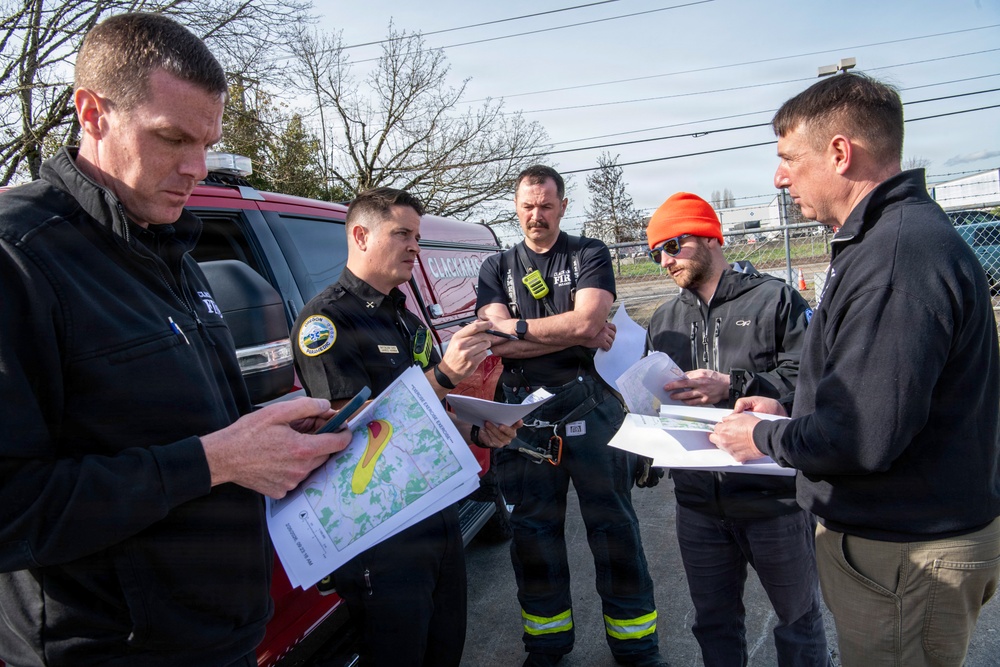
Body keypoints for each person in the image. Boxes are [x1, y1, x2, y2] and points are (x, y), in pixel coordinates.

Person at [0, 13, 354, 667]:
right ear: (92, 113)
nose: (197, 169)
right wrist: (217, 458)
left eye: (208, 141)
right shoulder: (18, 256)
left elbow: (164, 421)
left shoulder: (165, 244)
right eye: (171, 139)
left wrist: (263, 431)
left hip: (220, 635)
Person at [711, 72, 1000, 667]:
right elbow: (872, 391)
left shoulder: (896, 257)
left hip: (908, 554)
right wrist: (790, 408)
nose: (778, 176)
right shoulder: (884, 242)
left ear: (840, 153)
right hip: (900, 546)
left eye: (789, 157)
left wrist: (763, 436)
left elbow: (863, 435)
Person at [291, 186, 519, 667]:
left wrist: (478, 432)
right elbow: (351, 428)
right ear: (361, 235)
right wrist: (444, 375)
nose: (415, 246)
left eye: (417, 235)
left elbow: (431, 412)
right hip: (380, 528)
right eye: (402, 234)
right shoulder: (325, 321)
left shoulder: (403, 317)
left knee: (444, 649)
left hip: (436, 509)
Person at [476, 165, 667, 667]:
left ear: (562, 205)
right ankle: (546, 646)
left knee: (615, 529)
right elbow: (495, 340)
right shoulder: (496, 267)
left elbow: (589, 320)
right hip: (523, 417)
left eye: (545, 205)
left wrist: (525, 329)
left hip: (589, 404)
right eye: (527, 206)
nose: (536, 215)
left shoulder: (588, 253)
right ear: (515, 208)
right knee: (533, 536)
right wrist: (573, 330)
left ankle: (636, 648)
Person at [643, 192, 828, 666]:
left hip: (773, 502)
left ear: (708, 236)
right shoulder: (664, 319)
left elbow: (813, 381)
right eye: (655, 251)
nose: (664, 259)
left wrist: (734, 383)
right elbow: (655, 398)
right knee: (713, 622)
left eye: (673, 244)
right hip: (698, 503)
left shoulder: (774, 299)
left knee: (798, 618)